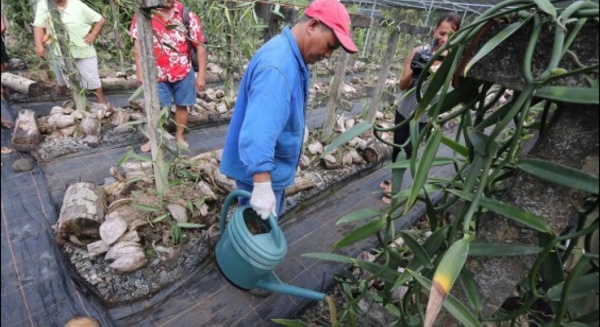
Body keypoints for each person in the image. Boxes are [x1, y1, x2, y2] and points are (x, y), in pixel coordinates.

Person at [220, 0, 358, 220]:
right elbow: (259, 131)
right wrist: (263, 185)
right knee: (256, 237)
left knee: (258, 233)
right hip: (262, 172)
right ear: (313, 25)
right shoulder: (278, 66)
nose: (329, 55)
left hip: (269, 167)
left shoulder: (289, 56)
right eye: (330, 45)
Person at [380, 12, 462, 203]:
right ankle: (394, 178)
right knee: (398, 146)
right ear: (434, 31)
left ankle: (395, 185)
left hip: (426, 114)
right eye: (442, 33)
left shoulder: (453, 60)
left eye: (450, 36)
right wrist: (417, 71)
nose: (444, 39)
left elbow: (455, 88)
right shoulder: (418, 52)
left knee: (409, 148)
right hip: (406, 108)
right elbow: (402, 85)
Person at [129, 0, 207, 152]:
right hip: (155, 72)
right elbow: (137, 45)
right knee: (156, 106)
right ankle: (154, 138)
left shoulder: (187, 15)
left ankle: (179, 136)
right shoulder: (144, 13)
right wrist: (140, 71)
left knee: (182, 105)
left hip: (182, 69)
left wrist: (201, 76)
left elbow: (200, 47)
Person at [32, 0, 106, 104]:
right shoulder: (44, 5)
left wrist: (93, 34)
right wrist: (39, 45)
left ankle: (101, 102)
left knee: (91, 77)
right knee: (71, 80)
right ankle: (79, 103)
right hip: (61, 51)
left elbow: (100, 20)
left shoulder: (77, 4)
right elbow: (38, 26)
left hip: (83, 48)